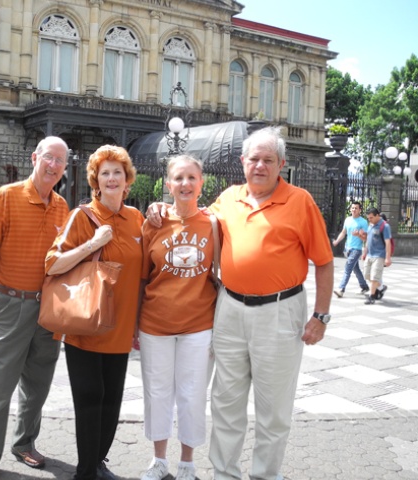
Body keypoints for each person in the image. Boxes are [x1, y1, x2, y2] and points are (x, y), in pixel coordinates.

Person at [147, 126, 333, 480]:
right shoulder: (228, 198)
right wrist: (161, 206)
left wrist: (320, 316)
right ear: (242, 162)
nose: (260, 166)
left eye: (268, 160)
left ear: (281, 164)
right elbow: (194, 214)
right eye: (254, 159)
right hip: (230, 309)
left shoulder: (300, 201)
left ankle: (265, 474)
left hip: (280, 311)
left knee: (273, 406)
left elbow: (323, 261)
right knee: (226, 400)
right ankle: (224, 473)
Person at [0, 136, 70, 480]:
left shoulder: (61, 207)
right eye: (49, 158)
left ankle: (25, 444)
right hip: (8, 304)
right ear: (34, 158)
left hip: (46, 308)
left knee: (38, 384)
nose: (53, 166)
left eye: (60, 161)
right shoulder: (7, 196)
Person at [45, 145, 144, 480]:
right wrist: (92, 244)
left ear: (127, 179)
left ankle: (98, 463)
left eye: (118, 172)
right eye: (105, 173)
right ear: (96, 181)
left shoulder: (136, 219)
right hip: (86, 326)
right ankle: (85, 472)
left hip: (120, 327)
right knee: (90, 399)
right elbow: (52, 264)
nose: (112, 178)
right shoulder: (84, 216)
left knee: (112, 402)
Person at [138, 155, 217, 480]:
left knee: (192, 393)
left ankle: (187, 462)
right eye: (178, 178)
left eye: (191, 178)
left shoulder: (214, 224)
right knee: (157, 392)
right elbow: (142, 278)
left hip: (198, 325)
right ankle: (159, 461)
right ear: (167, 184)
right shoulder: (153, 223)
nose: (185, 184)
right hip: (155, 324)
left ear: (201, 182)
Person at [332, 201, 369, 298]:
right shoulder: (347, 220)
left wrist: (359, 235)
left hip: (356, 249)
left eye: (356, 208)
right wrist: (337, 241)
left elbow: (365, 238)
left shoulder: (363, 222)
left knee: (347, 268)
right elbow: (343, 232)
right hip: (347, 249)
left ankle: (341, 289)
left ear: (360, 210)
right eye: (352, 208)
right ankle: (364, 286)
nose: (354, 210)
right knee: (356, 269)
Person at [362, 207, 392, 305]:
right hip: (369, 255)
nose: (369, 220)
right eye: (368, 218)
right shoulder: (370, 225)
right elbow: (368, 240)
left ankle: (371, 297)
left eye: (371, 218)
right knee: (367, 275)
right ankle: (381, 287)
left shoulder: (385, 226)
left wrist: (388, 258)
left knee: (374, 277)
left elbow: (388, 243)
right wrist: (365, 252)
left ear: (377, 216)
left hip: (379, 255)